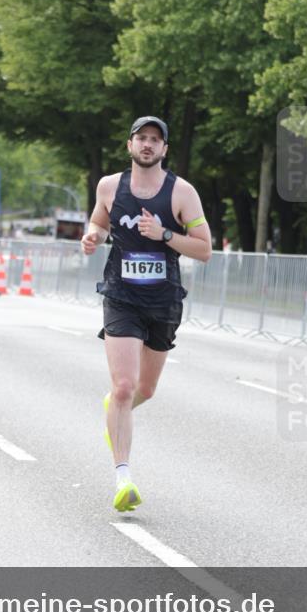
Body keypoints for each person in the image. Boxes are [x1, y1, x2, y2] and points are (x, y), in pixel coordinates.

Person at [81, 116, 212, 512]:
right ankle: (123, 478)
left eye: (156, 139)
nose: (148, 144)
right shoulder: (109, 186)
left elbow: (204, 249)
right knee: (123, 387)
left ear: (164, 149)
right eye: (142, 138)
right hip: (121, 296)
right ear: (130, 145)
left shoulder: (182, 193)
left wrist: (165, 235)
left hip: (163, 300)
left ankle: (115, 412)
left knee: (145, 389)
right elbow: (99, 221)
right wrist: (93, 236)